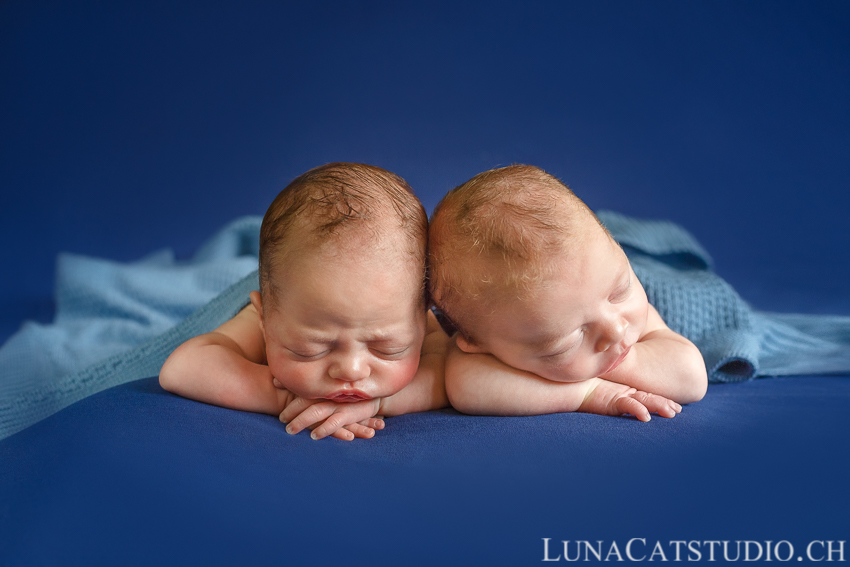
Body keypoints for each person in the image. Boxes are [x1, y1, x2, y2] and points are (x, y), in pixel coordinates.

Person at [160, 163, 450, 440]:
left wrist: (382, 403)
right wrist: (285, 397)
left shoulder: (403, 309)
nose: (351, 370)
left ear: (423, 313)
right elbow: (182, 368)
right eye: (312, 349)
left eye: (387, 349)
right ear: (264, 318)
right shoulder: (275, 314)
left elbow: (447, 372)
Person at [428, 165, 707, 422]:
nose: (616, 331)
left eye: (620, 291)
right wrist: (589, 392)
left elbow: (691, 377)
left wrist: (622, 360)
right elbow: (466, 386)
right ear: (476, 342)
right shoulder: (499, 323)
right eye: (566, 343)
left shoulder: (605, 291)